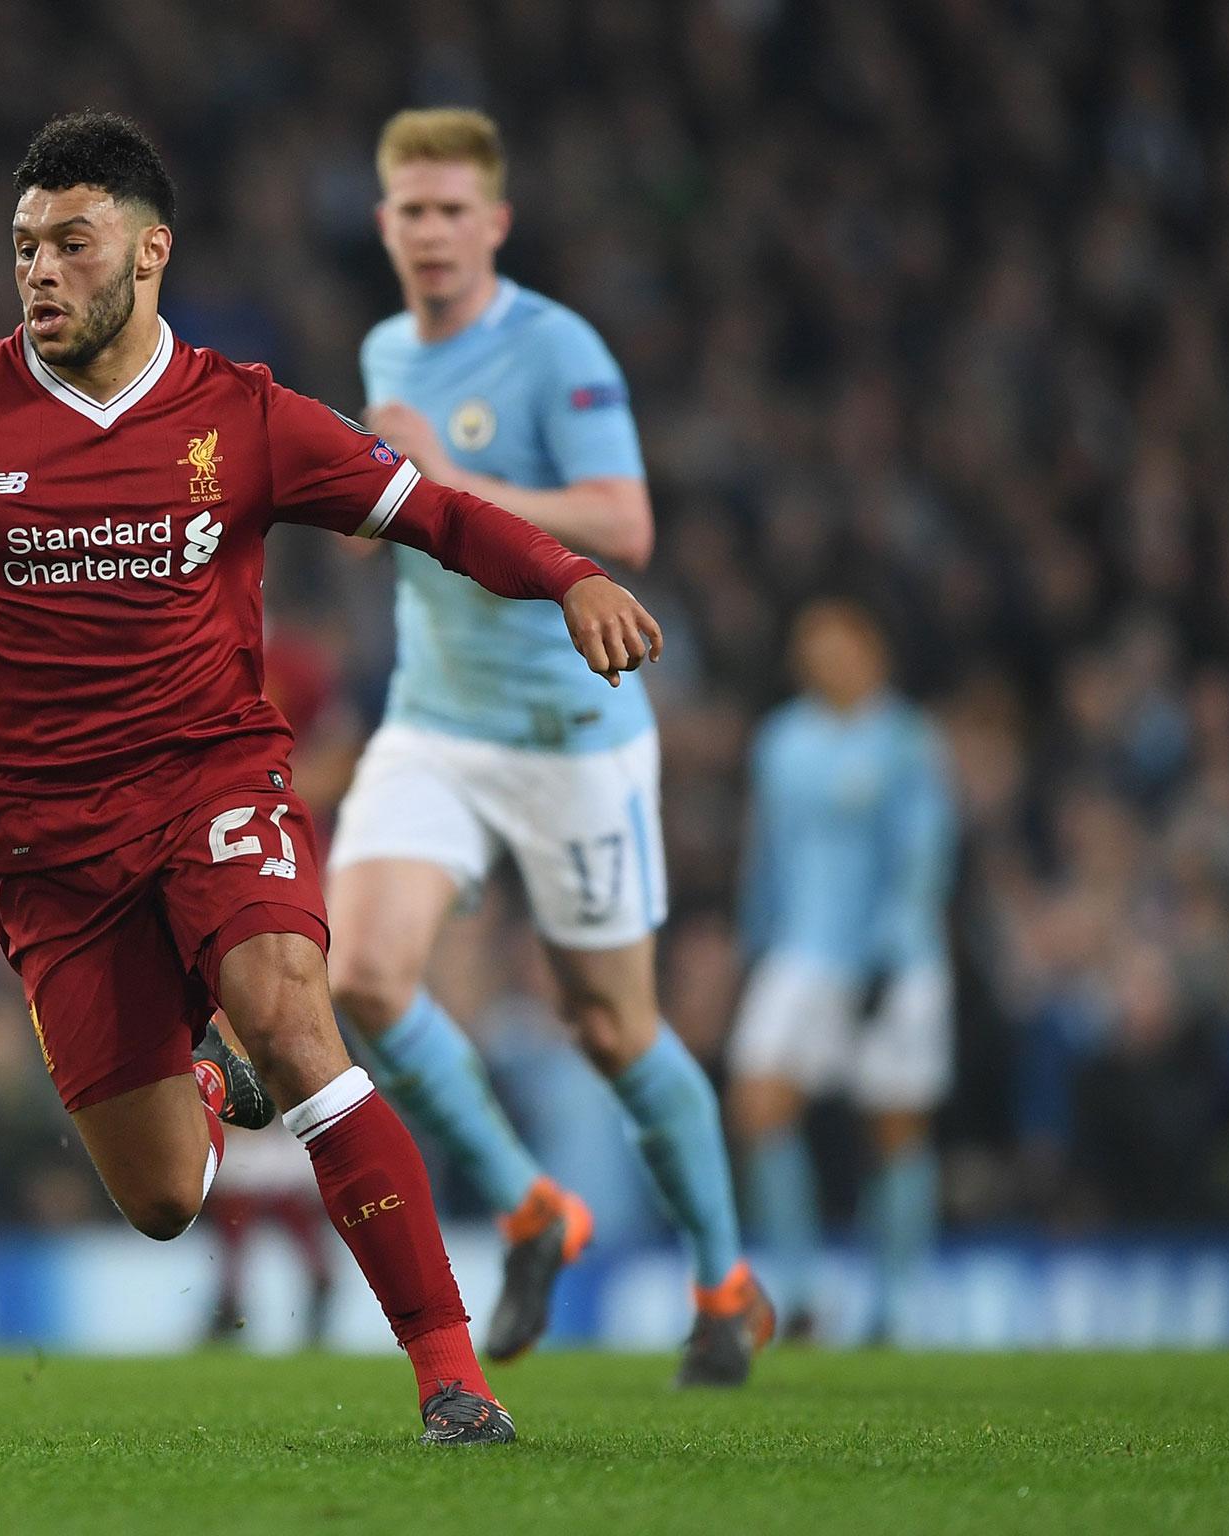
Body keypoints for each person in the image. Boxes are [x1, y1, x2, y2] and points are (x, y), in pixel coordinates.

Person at [0, 111, 664, 1443]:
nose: (38, 272)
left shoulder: (244, 418)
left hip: (215, 780)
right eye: (23, 247)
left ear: (149, 253)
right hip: (43, 839)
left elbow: (431, 512)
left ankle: (451, 1377)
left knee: (294, 1018)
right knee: (163, 1201)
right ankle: (208, 1089)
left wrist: (570, 574)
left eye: (70, 245)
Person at [325, 109, 769, 1384]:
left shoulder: (554, 346)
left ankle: (724, 1282)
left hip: (570, 733)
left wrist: (442, 488)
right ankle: (531, 1208)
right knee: (361, 977)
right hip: (434, 720)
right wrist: (378, 502)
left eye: (452, 210)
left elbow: (622, 521)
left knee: (609, 1029)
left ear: (494, 224)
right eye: (409, 210)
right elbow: (400, 503)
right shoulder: (383, 343)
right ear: (383, 224)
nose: (430, 232)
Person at [727, 599, 958, 1342]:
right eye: (810, 647)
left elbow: (923, 853)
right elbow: (768, 851)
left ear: (871, 652)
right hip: (801, 952)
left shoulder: (905, 741)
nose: (823, 660)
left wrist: (890, 955)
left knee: (892, 1125)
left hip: (895, 960)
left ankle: (895, 1304)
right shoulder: (783, 740)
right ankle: (797, 1295)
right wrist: (753, 939)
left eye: (837, 646)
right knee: (759, 1099)